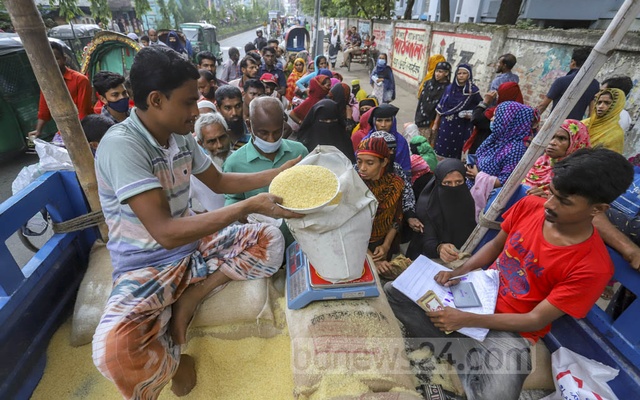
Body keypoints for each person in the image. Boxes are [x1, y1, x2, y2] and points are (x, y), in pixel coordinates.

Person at [92, 46, 301, 399]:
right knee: (112, 352)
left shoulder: (180, 136)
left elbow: (219, 182)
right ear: (156, 99)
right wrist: (247, 206)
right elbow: (165, 233)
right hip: (147, 265)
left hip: (193, 248)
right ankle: (175, 363)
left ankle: (192, 297)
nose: (198, 110)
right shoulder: (122, 146)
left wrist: (278, 174)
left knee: (270, 238)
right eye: (190, 102)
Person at [385, 147, 634, 400]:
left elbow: (535, 320)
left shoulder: (592, 266)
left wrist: (464, 320)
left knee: (498, 393)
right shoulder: (530, 206)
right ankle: (463, 352)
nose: (549, 204)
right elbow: (494, 245)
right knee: (395, 291)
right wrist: (458, 272)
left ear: (597, 210)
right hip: (475, 295)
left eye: (564, 201)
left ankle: (458, 350)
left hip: (511, 330)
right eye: (551, 193)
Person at [222, 97, 308, 204]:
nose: (271, 140)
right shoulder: (234, 164)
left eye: (276, 132)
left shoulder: (299, 152)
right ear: (249, 126)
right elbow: (233, 200)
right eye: (264, 133)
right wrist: (245, 214)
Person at [406, 158, 475, 262]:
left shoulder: (469, 200)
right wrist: (440, 248)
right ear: (438, 182)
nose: (453, 187)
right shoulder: (428, 206)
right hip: (429, 261)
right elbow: (427, 241)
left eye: (458, 182)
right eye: (447, 183)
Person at [356, 136, 404, 276]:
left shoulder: (395, 184)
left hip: (382, 243)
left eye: (370, 163)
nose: (362, 168)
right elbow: (348, 227)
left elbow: (398, 216)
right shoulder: (353, 185)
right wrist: (372, 259)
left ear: (384, 162)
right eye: (359, 162)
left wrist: (386, 245)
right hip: (356, 246)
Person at [467, 101, 538, 190]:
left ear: (511, 122)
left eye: (496, 116)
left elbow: (505, 182)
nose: (492, 119)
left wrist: (477, 176)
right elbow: (478, 156)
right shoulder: (497, 138)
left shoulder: (516, 150)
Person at [32, 42, 93, 138]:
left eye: (56, 59)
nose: (53, 63)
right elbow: (44, 110)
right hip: (64, 131)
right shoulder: (46, 83)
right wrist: (38, 131)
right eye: (48, 60)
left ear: (64, 59)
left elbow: (83, 111)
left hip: (85, 128)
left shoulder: (80, 80)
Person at [523, 119, 590, 197]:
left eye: (561, 138)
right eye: (551, 137)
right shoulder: (540, 162)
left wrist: (546, 197)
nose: (552, 142)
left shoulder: (580, 173)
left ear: (576, 142)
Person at [433, 63, 482, 159]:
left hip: (461, 126)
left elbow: (480, 106)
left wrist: (469, 113)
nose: (461, 75)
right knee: (442, 147)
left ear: (469, 75)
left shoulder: (473, 91)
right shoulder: (449, 88)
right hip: (446, 124)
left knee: (455, 149)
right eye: (459, 73)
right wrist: (436, 123)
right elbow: (441, 106)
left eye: (464, 73)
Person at [536, 46, 599, 120]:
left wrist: (530, 122)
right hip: (575, 127)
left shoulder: (561, 81)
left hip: (554, 126)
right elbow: (592, 113)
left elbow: (543, 106)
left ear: (573, 62)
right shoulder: (595, 84)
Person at [464, 82, 524, 155]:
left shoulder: (499, 111)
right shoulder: (521, 113)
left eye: (499, 94)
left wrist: (485, 102)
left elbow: (476, 119)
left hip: (485, 149)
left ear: (505, 95)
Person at [364, 104, 411, 174]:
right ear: (374, 122)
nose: (383, 125)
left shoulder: (401, 142)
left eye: (387, 120)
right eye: (379, 121)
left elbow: (405, 168)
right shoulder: (366, 141)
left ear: (393, 122)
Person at [415, 61, 452, 144]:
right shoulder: (428, 83)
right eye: (436, 71)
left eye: (440, 72)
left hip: (433, 122)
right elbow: (421, 101)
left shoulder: (448, 88)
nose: (437, 74)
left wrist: (435, 123)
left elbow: (443, 106)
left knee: (428, 145)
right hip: (420, 119)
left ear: (446, 73)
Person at [582, 88, 626, 154]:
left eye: (607, 103)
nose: (600, 106)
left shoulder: (616, 134)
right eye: (599, 102)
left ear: (616, 106)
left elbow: (609, 160)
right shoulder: (584, 123)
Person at [214, 85, 249, 150]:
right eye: (228, 108)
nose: (234, 113)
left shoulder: (252, 132)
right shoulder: (212, 137)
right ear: (218, 108)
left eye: (238, 106)